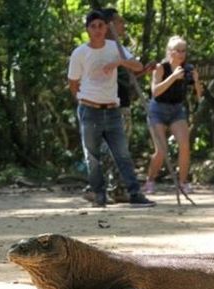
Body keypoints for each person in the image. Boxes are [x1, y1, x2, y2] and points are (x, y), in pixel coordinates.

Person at [68, 10, 155, 208]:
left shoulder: (115, 47)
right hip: (90, 110)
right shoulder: (80, 53)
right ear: (87, 30)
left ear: (106, 27)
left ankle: (135, 194)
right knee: (92, 156)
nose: (98, 30)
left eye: (101, 25)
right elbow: (72, 83)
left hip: (113, 109)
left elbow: (137, 65)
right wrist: (83, 100)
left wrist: (120, 61)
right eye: (93, 26)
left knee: (122, 154)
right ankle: (99, 195)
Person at [144, 36, 202, 194]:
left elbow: (199, 96)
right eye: (178, 51)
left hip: (176, 109)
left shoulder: (188, 69)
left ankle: (183, 183)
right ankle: (150, 181)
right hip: (157, 110)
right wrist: (173, 77)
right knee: (161, 150)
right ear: (170, 52)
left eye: (184, 51)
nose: (181, 54)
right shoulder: (161, 67)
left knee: (184, 145)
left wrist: (196, 81)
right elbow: (155, 92)